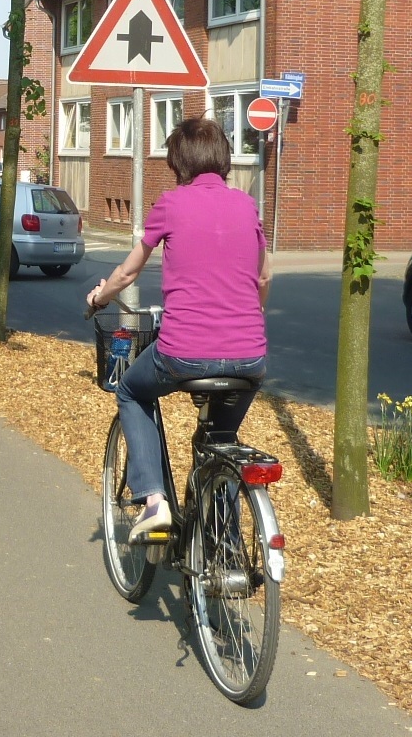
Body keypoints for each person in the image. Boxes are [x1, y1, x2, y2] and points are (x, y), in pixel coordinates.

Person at [85, 118, 271, 540]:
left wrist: (99, 298)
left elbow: (127, 273)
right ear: (222, 158)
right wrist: (248, 315)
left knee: (131, 391)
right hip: (250, 357)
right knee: (220, 438)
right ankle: (224, 543)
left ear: (178, 162)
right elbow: (263, 278)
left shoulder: (171, 203)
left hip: (183, 353)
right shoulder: (246, 205)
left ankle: (153, 501)